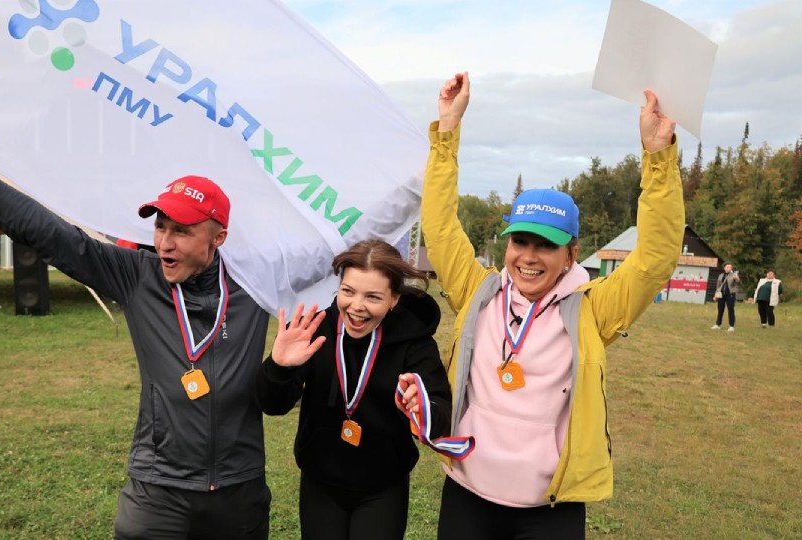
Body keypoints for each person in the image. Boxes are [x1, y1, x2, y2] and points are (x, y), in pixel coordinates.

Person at [0, 109, 273, 539]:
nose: (164, 244)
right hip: (158, 490)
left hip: (238, 490)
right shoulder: (137, 275)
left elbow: (331, 261)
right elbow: (48, 233)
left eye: (182, 232)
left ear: (218, 237)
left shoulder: (256, 283)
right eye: (160, 227)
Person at [416, 72, 683, 539]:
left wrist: (658, 157)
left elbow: (655, 258)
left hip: (549, 508)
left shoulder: (592, 309)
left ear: (571, 254)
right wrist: (447, 133)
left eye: (546, 245)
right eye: (520, 241)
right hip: (468, 494)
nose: (529, 257)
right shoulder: (478, 291)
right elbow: (439, 229)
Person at [254, 240, 451, 540]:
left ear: (394, 299)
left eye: (373, 297)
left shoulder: (414, 342)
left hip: (383, 487)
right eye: (348, 291)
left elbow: (440, 414)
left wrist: (422, 409)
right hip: (320, 483)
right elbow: (272, 405)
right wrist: (279, 367)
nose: (357, 306)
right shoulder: (317, 330)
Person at [712, 263, 741, 332]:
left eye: (730, 267)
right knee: (720, 309)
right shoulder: (721, 275)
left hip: (730, 294)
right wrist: (715, 295)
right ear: (724, 268)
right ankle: (718, 324)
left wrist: (737, 278)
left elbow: (738, 283)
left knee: (730, 309)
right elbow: (718, 286)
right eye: (727, 267)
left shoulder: (734, 275)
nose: (729, 268)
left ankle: (731, 326)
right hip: (721, 294)